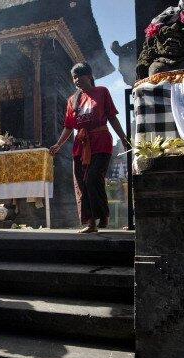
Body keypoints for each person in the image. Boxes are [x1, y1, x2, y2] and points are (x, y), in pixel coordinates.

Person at [50, 62, 131, 233]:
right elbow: (68, 126)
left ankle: (103, 214)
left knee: (93, 178)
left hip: (101, 142)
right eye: (74, 77)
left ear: (89, 76)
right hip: (81, 145)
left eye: (80, 75)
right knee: (81, 183)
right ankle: (91, 223)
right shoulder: (72, 100)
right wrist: (58, 144)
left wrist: (123, 138)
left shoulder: (101, 92)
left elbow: (112, 117)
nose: (77, 80)